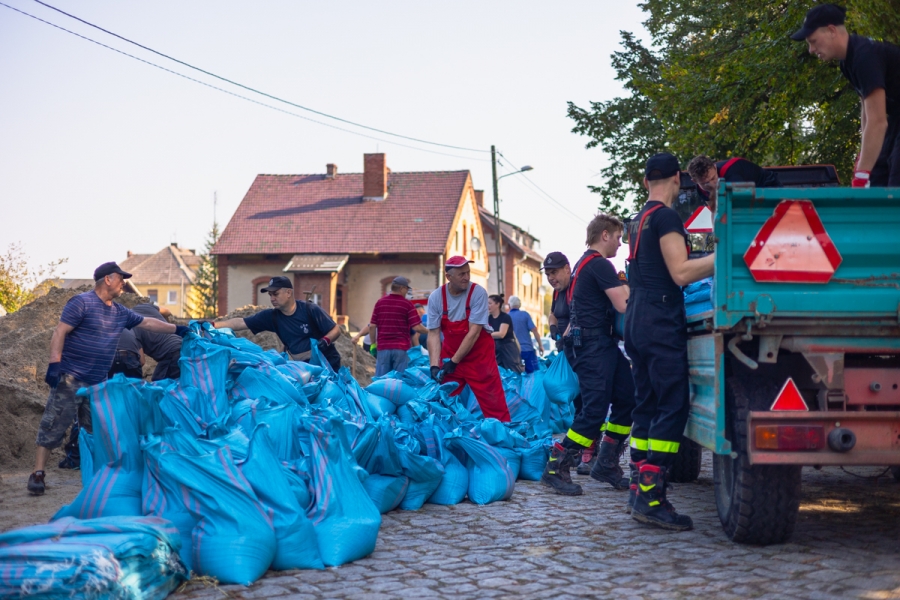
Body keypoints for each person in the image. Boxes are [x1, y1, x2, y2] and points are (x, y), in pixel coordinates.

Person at [29, 262, 189, 495]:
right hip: (72, 377)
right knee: (54, 423)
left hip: (98, 383)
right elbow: (60, 331)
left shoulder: (119, 312)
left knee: (96, 430)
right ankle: (38, 473)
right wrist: (55, 363)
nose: (124, 282)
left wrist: (177, 329)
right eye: (121, 278)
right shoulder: (81, 302)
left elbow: (148, 323)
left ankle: (96, 476)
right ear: (107, 279)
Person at [625, 153, 715, 531]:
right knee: (673, 404)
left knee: (646, 405)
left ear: (646, 182)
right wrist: (725, 255)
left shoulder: (637, 220)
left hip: (636, 319)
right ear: (678, 180)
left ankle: (637, 489)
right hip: (660, 320)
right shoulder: (665, 217)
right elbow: (680, 272)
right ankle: (651, 495)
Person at [541, 215, 635, 496]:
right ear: (604, 235)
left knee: (628, 398)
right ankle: (557, 466)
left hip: (599, 345)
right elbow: (623, 304)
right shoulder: (598, 264)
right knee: (593, 411)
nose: (620, 244)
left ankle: (606, 461)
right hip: (593, 348)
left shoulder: (584, 264)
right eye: (618, 237)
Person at [792, 4, 900, 186]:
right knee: (877, 175)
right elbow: (868, 110)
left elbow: (878, 121)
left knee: (895, 181)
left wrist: (861, 175)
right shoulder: (847, 62)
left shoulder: (865, 56)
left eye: (813, 41)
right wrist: (863, 160)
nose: (810, 49)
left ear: (832, 31)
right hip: (896, 116)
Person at [426, 255, 511, 422]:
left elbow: (474, 333)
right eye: (461, 274)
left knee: (493, 401)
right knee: (444, 400)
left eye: (467, 273)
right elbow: (434, 333)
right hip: (451, 356)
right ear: (448, 277)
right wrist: (434, 365)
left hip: (479, 358)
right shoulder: (436, 297)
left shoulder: (478, 293)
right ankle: (445, 437)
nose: (466, 277)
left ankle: (503, 436)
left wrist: (454, 361)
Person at [213, 276, 342, 371]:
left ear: (288, 293)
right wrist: (213, 325)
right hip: (304, 368)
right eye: (270, 295)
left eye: (275, 294)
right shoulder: (272, 317)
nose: (272, 298)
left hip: (327, 363)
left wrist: (325, 340)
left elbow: (336, 330)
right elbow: (240, 323)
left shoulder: (309, 310)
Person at [352, 276, 428, 376]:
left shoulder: (380, 303)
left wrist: (373, 344)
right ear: (401, 288)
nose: (407, 293)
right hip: (400, 349)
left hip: (383, 348)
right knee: (399, 381)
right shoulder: (407, 305)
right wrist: (430, 331)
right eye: (406, 289)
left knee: (382, 381)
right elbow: (417, 327)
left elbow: (372, 326)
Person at [544, 251, 585, 421]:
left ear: (567, 269)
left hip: (578, 349)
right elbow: (553, 313)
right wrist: (553, 327)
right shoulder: (556, 292)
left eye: (554, 272)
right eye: (548, 274)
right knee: (576, 398)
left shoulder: (576, 288)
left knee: (584, 396)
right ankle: (582, 432)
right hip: (565, 350)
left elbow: (577, 315)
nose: (551, 278)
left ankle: (589, 437)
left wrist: (566, 335)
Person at [686, 155, 780, 214]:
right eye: (706, 183)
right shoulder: (701, 191)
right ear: (694, 181)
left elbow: (740, 206)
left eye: (713, 178)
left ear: (715, 167)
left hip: (768, 186)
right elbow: (715, 211)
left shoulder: (732, 173)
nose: (712, 185)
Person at [132, 303, 183, 381]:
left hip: (171, 354)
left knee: (158, 388)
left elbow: (141, 361)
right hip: (183, 346)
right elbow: (167, 311)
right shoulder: (144, 306)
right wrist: (166, 324)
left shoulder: (131, 328)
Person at [507, 296, 544, 373]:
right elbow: (534, 330)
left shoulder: (506, 317)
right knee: (532, 374)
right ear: (519, 305)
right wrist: (540, 345)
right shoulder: (525, 315)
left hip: (512, 351)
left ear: (509, 305)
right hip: (527, 349)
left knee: (515, 375)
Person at [488, 294, 522, 373]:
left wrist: (486, 335)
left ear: (497, 304)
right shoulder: (488, 318)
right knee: (497, 373)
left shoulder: (505, 317)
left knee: (513, 372)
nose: (487, 306)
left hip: (508, 349)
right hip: (495, 348)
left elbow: (501, 334)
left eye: (490, 303)